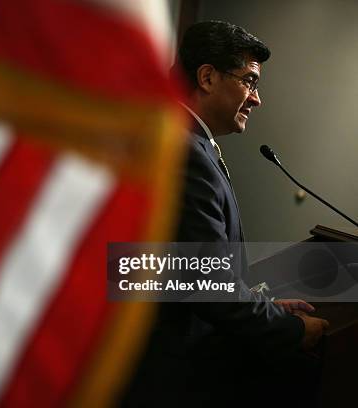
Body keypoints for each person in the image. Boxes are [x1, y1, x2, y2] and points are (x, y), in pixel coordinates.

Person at [121, 21, 329, 407]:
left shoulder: (186, 141)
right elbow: (207, 283)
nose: (256, 99)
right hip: (174, 379)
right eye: (249, 81)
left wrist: (258, 303)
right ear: (207, 77)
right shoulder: (186, 152)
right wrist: (289, 330)